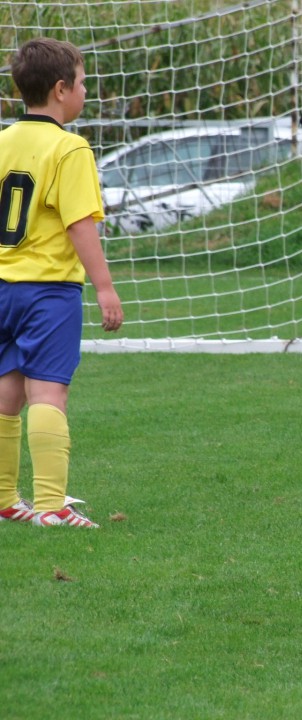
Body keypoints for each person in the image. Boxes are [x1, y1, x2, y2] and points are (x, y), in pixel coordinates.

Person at [0, 38, 123, 529]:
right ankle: (51, 507)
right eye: (83, 82)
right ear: (60, 90)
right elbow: (79, 225)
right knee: (49, 394)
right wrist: (105, 287)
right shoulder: (69, 148)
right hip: (48, 291)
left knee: (7, 393)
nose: (86, 91)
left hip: (3, 284)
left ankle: (7, 497)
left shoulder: (5, 141)